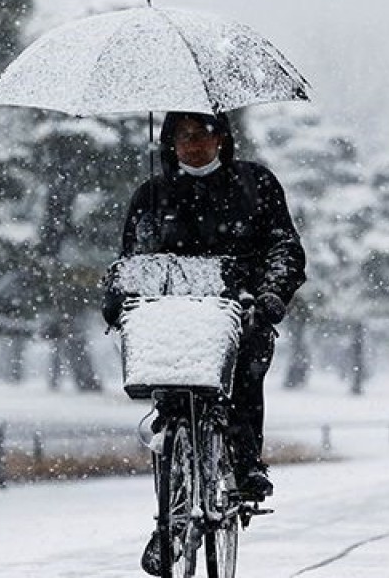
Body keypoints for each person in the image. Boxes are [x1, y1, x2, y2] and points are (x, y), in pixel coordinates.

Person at [103, 111, 306, 575]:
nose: (193, 145)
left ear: (223, 139)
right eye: (182, 136)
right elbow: (135, 257)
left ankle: (245, 460)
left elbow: (285, 249)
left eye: (203, 135)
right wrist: (118, 298)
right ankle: (169, 517)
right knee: (169, 405)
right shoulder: (152, 195)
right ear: (169, 142)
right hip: (172, 318)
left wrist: (271, 295)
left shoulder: (256, 185)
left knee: (243, 376)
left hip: (239, 311)